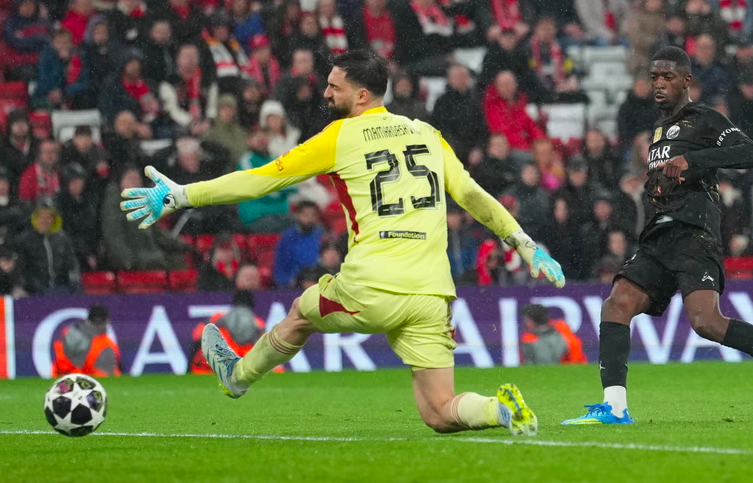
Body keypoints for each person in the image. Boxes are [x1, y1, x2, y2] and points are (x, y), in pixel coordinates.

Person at [120, 50, 565, 436]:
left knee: (299, 314)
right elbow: (471, 195)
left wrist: (182, 195)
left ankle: (237, 376)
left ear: (363, 96)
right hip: (432, 292)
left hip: (370, 286)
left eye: (335, 87)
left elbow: (258, 181)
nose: (327, 94)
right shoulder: (426, 134)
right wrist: (524, 243)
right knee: (440, 411)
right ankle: (499, 408)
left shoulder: (339, 136)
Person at [562, 47, 753, 426]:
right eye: (654, 76)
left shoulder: (705, 119)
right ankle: (616, 407)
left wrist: (694, 160)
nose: (659, 83)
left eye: (667, 77)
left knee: (706, 322)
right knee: (616, 304)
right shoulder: (657, 130)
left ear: (686, 81)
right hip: (658, 236)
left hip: (694, 234)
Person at [190, 290, 265, 374]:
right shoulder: (258, 323)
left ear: (233, 303)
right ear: (252, 305)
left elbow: (197, 335)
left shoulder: (218, 318)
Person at [14, 204, 80, 295]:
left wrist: (73, 278)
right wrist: (30, 284)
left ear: (53, 220)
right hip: (35, 288)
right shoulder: (25, 239)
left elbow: (71, 261)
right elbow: (21, 267)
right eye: (41, 217)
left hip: (61, 286)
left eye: (48, 217)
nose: (44, 221)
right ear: (35, 220)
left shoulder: (62, 238)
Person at [53, 304, 121, 377]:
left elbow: (61, 364)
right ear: (106, 321)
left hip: (69, 378)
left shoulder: (71, 335)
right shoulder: (108, 344)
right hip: (88, 380)